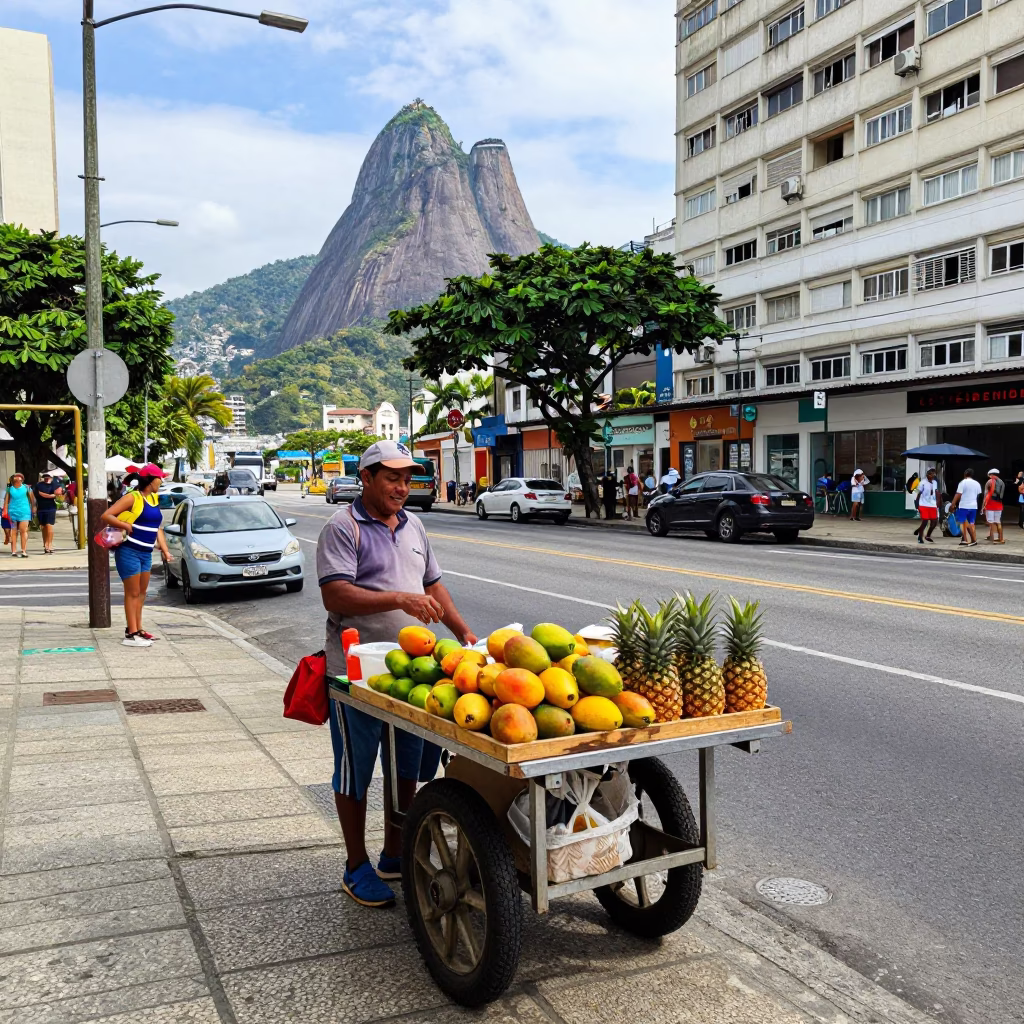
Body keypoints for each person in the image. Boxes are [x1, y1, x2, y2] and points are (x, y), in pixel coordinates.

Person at [317, 440, 476, 908]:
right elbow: (336, 596)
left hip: (412, 674)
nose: (403, 487)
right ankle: (355, 865)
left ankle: (393, 851)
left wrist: (465, 634)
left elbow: (432, 585)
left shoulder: (415, 525)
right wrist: (398, 600)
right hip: (356, 675)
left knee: (406, 769)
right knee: (355, 772)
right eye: (392, 478)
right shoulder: (343, 527)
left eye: (408, 479)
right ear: (366, 478)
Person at [100, 464, 171, 646]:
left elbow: (157, 529)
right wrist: (125, 526)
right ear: (149, 480)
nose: (161, 481)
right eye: (159, 478)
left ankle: (138, 629)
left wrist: (165, 550)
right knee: (132, 593)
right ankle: (131, 634)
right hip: (129, 551)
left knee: (141, 593)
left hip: (146, 553)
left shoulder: (154, 499)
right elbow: (107, 515)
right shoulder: (133, 497)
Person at [2, 472, 35, 557]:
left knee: (23, 530)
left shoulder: (27, 488)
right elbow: (6, 500)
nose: (17, 478)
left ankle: (24, 550)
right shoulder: (10, 489)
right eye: (15, 476)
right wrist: (5, 510)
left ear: (22, 479)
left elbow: (32, 499)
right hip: (13, 512)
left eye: (19, 476)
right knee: (14, 531)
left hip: (24, 511)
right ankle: (14, 551)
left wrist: (34, 508)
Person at [950, 467, 982, 548]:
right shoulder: (977, 483)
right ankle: (973, 540)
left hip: (964, 505)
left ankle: (965, 539)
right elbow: (978, 495)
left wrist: (953, 504)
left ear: (965, 474)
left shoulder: (963, 482)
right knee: (972, 523)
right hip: (973, 506)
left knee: (963, 522)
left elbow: (958, 494)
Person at [33, 471, 63, 555]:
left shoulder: (54, 484)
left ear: (51, 478)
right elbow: (38, 494)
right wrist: (50, 495)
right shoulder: (39, 485)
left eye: (48, 477)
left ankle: (49, 544)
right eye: (45, 477)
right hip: (41, 508)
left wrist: (51, 495)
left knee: (49, 525)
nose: (47, 478)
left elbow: (58, 493)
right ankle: (45, 544)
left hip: (50, 508)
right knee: (43, 527)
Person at [913, 468, 940, 544]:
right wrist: (917, 504)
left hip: (932, 504)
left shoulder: (935, 482)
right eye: (932, 474)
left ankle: (928, 535)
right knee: (925, 521)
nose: (933, 475)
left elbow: (936, 492)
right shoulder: (922, 482)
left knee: (934, 522)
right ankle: (920, 536)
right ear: (928, 475)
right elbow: (918, 493)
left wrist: (937, 502)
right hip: (924, 504)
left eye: (934, 474)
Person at [980, 468, 1005, 544]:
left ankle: (993, 539)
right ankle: (1001, 539)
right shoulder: (1002, 482)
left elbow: (985, 495)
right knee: (998, 521)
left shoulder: (989, 482)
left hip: (990, 504)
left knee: (991, 522)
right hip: (999, 504)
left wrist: (983, 506)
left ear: (992, 475)